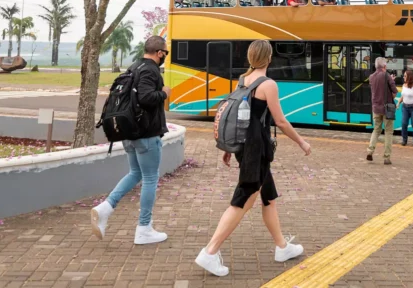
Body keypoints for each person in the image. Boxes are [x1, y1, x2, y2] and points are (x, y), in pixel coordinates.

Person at [195, 40, 311, 277]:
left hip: (245, 147)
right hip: (255, 149)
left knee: (268, 197)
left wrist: (230, 147)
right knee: (243, 198)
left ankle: (282, 247)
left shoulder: (242, 81)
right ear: (269, 58)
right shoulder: (268, 84)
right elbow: (280, 120)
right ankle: (210, 251)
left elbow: (237, 115)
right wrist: (301, 142)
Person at [91, 36, 172, 245]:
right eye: (166, 53)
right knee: (150, 178)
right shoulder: (150, 70)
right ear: (159, 53)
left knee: (135, 173)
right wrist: (163, 94)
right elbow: (146, 98)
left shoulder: (134, 67)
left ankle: (105, 208)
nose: (165, 56)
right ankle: (144, 228)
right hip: (146, 135)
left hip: (129, 133)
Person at [366, 57, 397, 164]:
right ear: (384, 66)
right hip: (387, 108)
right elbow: (394, 91)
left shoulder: (371, 77)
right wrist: (392, 81)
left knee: (376, 130)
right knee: (388, 132)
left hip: (376, 107)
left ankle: (370, 151)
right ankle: (386, 157)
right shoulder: (386, 75)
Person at [397, 69, 413, 147]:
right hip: (405, 107)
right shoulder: (404, 85)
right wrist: (398, 103)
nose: (403, 77)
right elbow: (403, 96)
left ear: (409, 77)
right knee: (404, 123)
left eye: (405, 76)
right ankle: (404, 140)